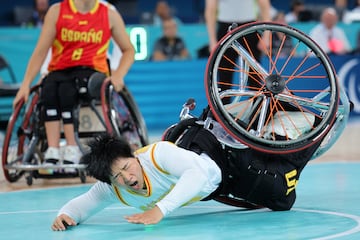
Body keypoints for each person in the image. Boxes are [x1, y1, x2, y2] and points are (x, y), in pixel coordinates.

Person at [51, 121, 321, 230]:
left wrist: (160, 209)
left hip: (226, 165)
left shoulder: (158, 154)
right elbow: (85, 203)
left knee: (283, 198)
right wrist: (67, 215)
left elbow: (197, 175)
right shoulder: (113, 187)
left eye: (126, 167)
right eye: (117, 176)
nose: (126, 177)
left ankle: (318, 127)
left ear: (134, 155)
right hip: (219, 189)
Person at [12, 0, 135, 167]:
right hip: (60, 69)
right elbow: (41, 51)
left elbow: (128, 49)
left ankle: (72, 147)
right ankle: (53, 149)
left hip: (91, 70)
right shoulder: (57, 11)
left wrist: (118, 75)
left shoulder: (109, 14)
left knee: (67, 90)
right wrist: (26, 84)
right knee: (48, 88)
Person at [204, 0, 271, 104]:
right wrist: (212, 41)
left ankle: (257, 114)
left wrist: (267, 35)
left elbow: (265, 6)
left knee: (255, 79)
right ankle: (222, 115)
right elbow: (210, 10)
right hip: (225, 29)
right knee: (224, 80)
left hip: (250, 28)